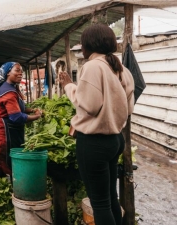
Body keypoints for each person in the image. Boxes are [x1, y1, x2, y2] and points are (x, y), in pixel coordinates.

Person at [59, 24, 134, 225]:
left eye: (82, 45)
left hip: (94, 143)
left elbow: (90, 106)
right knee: (110, 198)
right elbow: (129, 108)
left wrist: (68, 87)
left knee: (99, 203)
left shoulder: (92, 67)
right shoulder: (121, 69)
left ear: (88, 45)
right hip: (115, 140)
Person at [0, 62, 43, 178]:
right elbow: (16, 117)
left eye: (21, 71)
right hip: (4, 135)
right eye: (17, 70)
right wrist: (37, 117)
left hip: (8, 131)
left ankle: (2, 189)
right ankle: (13, 190)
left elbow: (19, 108)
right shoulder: (8, 92)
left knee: (5, 165)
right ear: (8, 73)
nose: (20, 73)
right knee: (9, 163)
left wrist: (32, 110)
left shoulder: (12, 88)